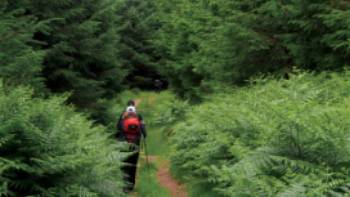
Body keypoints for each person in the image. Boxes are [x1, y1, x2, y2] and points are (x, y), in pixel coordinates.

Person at [116, 100, 146, 193]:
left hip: (124, 145)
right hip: (135, 144)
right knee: (133, 165)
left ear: (127, 106)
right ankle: (131, 186)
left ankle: (125, 187)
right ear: (134, 107)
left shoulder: (123, 116)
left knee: (124, 165)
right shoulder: (139, 116)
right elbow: (144, 133)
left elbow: (118, 127)